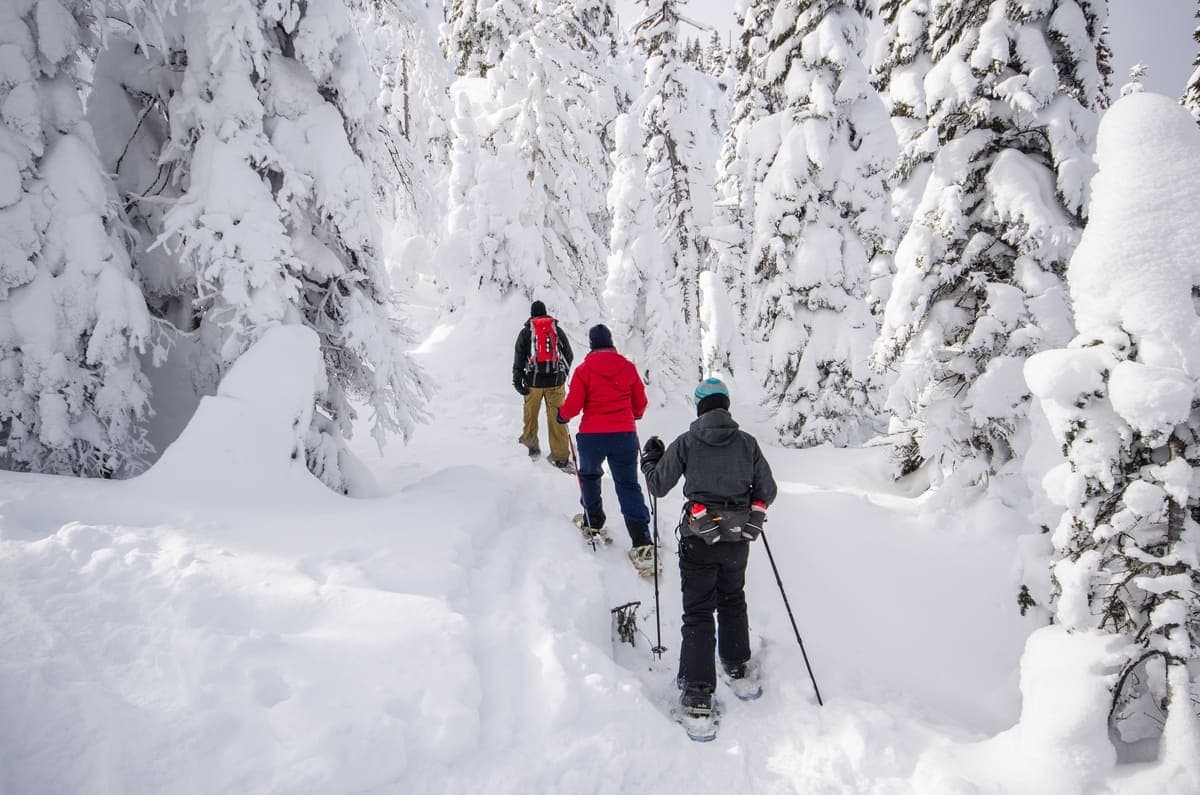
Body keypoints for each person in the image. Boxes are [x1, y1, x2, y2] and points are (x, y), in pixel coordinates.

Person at [639, 377, 778, 718]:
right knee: (732, 598)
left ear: (700, 406)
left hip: (698, 538)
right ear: (726, 405)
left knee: (699, 611)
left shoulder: (688, 442)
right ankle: (735, 663)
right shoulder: (747, 443)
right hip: (737, 537)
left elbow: (658, 486)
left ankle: (698, 692)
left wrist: (650, 460)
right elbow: (768, 490)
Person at [555, 324, 655, 572]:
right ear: (611, 343)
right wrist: (634, 415)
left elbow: (574, 406)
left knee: (589, 476)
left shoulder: (584, 370)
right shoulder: (627, 367)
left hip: (592, 436)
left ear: (591, 345)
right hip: (623, 435)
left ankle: (593, 521)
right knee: (627, 484)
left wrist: (562, 416)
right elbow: (640, 403)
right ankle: (641, 541)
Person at [513, 300, 574, 471]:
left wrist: (518, 380)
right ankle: (561, 457)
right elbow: (569, 354)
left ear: (532, 315)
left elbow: (518, 358)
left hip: (533, 382)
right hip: (555, 382)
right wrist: (562, 374)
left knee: (530, 414)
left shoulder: (526, 333)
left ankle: (531, 446)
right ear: (546, 313)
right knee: (557, 418)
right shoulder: (556, 330)